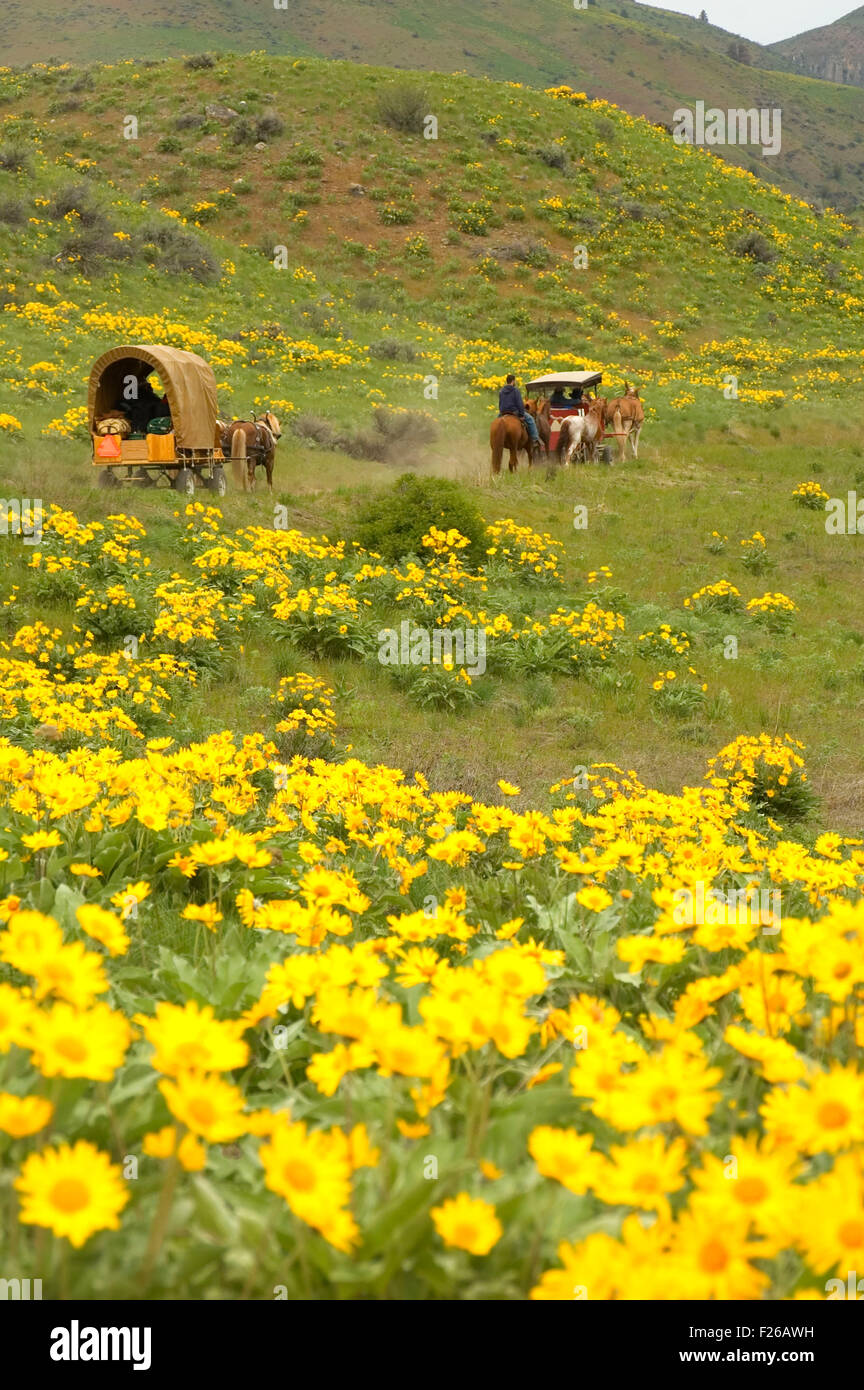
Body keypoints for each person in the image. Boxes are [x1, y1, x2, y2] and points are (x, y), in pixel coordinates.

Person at [498, 374, 540, 448]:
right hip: (514, 412)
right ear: (513, 381)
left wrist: (501, 412)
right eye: (515, 381)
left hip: (503, 412)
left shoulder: (501, 391)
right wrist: (521, 415)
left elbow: (500, 403)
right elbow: (519, 403)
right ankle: (535, 439)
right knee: (531, 420)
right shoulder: (515, 390)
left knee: (497, 422)